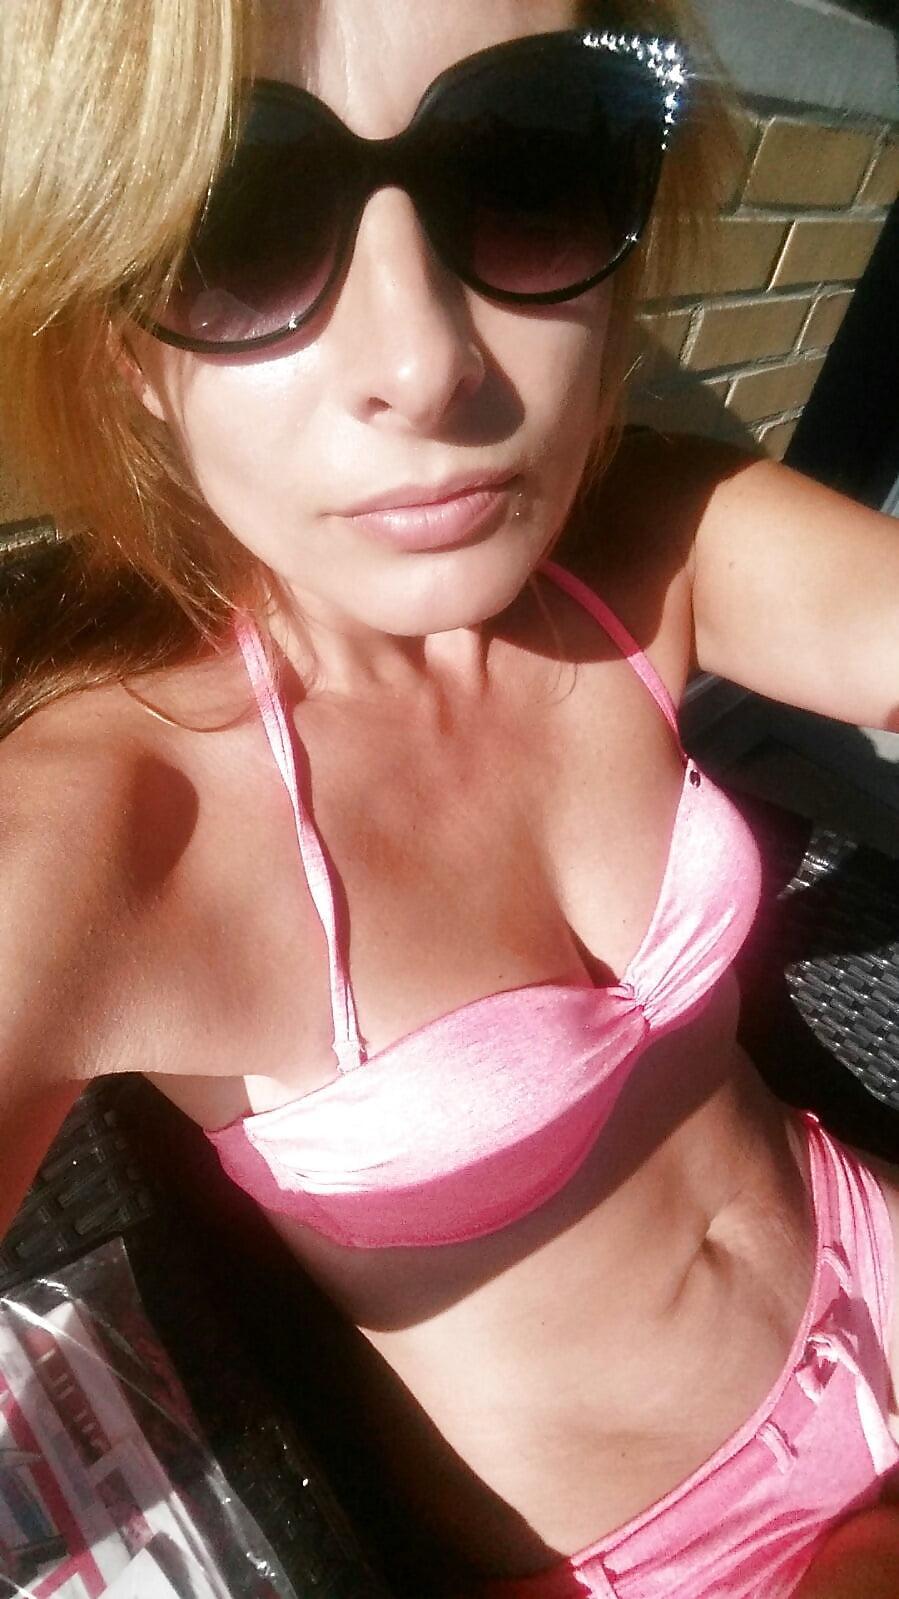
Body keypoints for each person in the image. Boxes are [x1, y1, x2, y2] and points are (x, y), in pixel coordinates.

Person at [1, 1, 898, 1594]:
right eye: (240, 222)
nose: (426, 366)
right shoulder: (110, 832)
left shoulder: (643, 551)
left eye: (528, 162)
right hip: (679, 1556)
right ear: (123, 348)